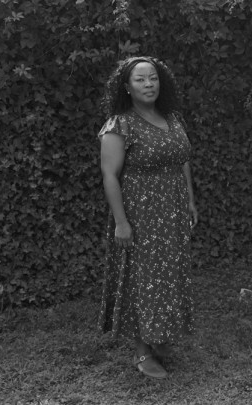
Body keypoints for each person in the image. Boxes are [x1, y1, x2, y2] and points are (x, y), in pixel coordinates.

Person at [97, 56, 198, 379]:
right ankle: (142, 352)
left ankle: (160, 336)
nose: (148, 84)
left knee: (169, 276)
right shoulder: (119, 124)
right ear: (127, 87)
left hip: (173, 211)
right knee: (143, 280)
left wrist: (190, 201)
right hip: (140, 214)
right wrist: (121, 222)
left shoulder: (172, 118)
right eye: (140, 80)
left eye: (153, 78)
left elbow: (182, 160)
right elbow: (109, 175)